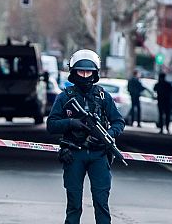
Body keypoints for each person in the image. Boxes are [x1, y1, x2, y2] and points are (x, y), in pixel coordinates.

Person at [47, 49, 125, 224]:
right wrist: (71, 123)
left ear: (95, 73)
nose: (84, 76)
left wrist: (108, 135)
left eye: (88, 72)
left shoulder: (103, 96)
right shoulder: (65, 97)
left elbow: (118, 122)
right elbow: (51, 125)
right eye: (80, 72)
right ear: (73, 73)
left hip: (99, 154)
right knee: (74, 205)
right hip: (74, 154)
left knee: (101, 203)